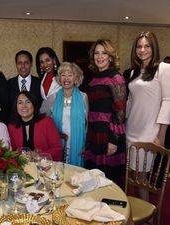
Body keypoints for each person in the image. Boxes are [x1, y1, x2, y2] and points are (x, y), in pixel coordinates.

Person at [84, 39, 126, 185]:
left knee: (109, 181)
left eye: (104, 53)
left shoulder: (116, 77)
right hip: (95, 132)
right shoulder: (94, 77)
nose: (99, 57)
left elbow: (120, 112)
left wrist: (113, 140)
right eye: (97, 53)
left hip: (109, 133)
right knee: (94, 179)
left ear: (110, 56)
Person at [126, 31, 170, 171]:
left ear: (154, 48)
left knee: (142, 179)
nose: (142, 50)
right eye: (139, 46)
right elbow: (131, 102)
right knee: (132, 175)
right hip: (131, 129)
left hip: (150, 132)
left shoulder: (164, 68)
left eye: (147, 46)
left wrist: (161, 136)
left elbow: (167, 102)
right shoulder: (134, 72)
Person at [40, 62, 88, 165]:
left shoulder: (83, 97)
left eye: (70, 75)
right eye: (63, 75)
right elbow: (43, 120)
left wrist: (86, 144)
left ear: (76, 78)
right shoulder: (53, 97)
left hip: (77, 143)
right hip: (58, 144)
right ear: (59, 78)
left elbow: (87, 122)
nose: (66, 79)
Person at [8, 91, 62, 161]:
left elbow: (57, 148)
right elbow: (13, 151)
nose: (24, 106)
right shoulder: (12, 126)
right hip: (22, 166)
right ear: (16, 106)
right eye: (20, 102)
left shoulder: (47, 122)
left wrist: (39, 156)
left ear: (34, 104)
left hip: (44, 165)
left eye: (28, 102)